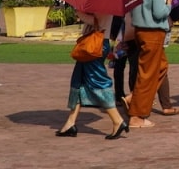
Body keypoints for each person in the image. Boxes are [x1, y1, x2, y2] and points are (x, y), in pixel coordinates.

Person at [55, 11, 129, 139]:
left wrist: (78, 12)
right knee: (78, 81)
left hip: (96, 44)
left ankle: (117, 120)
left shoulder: (104, 0)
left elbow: (98, 21)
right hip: (93, 43)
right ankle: (70, 123)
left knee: (97, 82)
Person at [127, 0, 171, 130]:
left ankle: (134, 99)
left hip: (140, 29)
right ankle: (137, 115)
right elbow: (159, 12)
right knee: (147, 74)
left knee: (161, 67)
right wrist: (169, 5)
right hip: (153, 32)